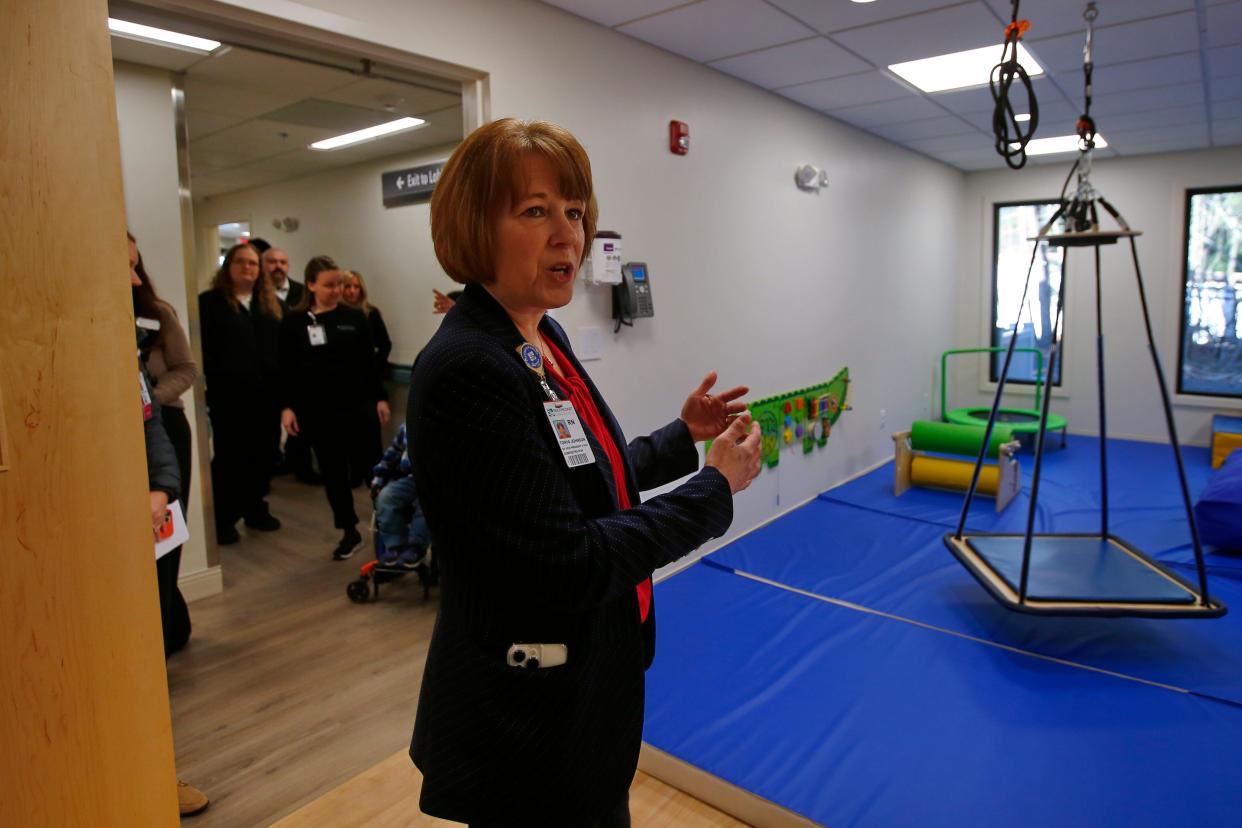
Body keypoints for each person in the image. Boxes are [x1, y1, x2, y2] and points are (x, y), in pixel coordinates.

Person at [406, 118, 762, 827]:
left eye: (574, 211)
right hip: (526, 723)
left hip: (584, 692)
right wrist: (714, 487)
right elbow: (568, 560)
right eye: (535, 211)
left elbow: (580, 480)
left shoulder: (538, 335)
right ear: (475, 225)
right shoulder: (470, 368)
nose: (569, 234)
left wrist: (682, 437)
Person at [131, 286, 209, 818]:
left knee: (152, 626)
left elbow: (151, 424)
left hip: (149, 502)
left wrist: (161, 487)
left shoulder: (134, 338)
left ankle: (154, 765)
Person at [280, 256, 391, 560]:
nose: (337, 290)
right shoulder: (294, 322)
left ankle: (388, 525)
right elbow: (287, 369)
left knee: (373, 471)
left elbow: (369, 363)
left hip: (358, 409)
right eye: (329, 285)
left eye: (340, 284)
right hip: (319, 412)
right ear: (311, 285)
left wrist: (380, 398)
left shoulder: (355, 318)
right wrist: (287, 407)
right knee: (334, 475)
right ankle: (349, 531)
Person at [129, 233, 198, 655]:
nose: (135, 278)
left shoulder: (158, 314)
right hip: (131, 433)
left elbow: (187, 369)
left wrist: (151, 395)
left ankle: (169, 630)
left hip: (165, 429)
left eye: (138, 266)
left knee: (166, 537)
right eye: (127, 267)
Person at [199, 242, 283, 544]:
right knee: (230, 459)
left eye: (253, 264)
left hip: (267, 398)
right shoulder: (208, 303)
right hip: (229, 399)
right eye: (241, 263)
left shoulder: (270, 304)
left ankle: (255, 509)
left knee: (264, 456)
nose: (248, 268)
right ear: (229, 267)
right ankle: (223, 518)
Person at [263, 247, 316, 483]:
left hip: (298, 368)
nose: (278, 266)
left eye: (283, 262)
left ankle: (301, 467)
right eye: (272, 261)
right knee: (269, 426)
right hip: (268, 370)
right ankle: (272, 463)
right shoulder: (258, 296)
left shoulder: (301, 292)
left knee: (300, 423)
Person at [369, 423, 430, 570]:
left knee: (426, 503)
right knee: (385, 497)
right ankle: (395, 546)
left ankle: (416, 547)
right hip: (411, 478)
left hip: (433, 481)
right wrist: (377, 481)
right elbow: (390, 457)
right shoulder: (406, 427)